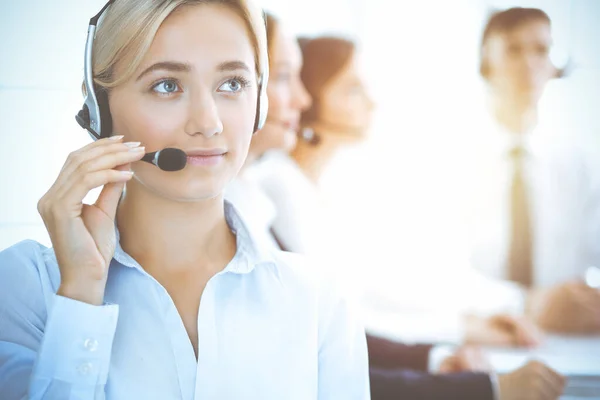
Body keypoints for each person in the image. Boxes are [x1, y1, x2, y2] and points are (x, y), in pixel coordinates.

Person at [0, 1, 369, 399]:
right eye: (167, 85)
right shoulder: (24, 286)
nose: (208, 123)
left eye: (232, 83)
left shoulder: (318, 299)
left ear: (258, 102)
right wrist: (80, 296)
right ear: (98, 108)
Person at [227, 24, 565, 399]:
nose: (371, 103)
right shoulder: (277, 187)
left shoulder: (321, 187)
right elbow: (338, 330)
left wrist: (461, 331)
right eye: (353, 90)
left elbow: (384, 291)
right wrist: (463, 343)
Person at [453, 7, 600, 334]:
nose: (529, 64)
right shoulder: (453, 160)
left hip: (567, 341)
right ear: (486, 62)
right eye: (513, 50)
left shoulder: (580, 165)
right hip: (482, 336)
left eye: (540, 51)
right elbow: (439, 271)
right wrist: (527, 303)